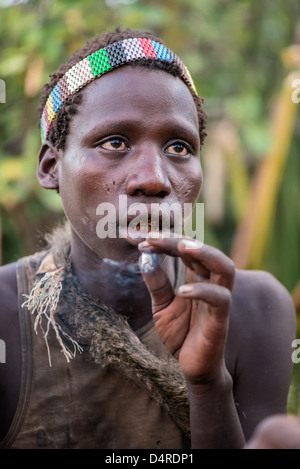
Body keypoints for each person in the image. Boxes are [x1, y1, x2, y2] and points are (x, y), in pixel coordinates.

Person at [0, 26, 297, 450]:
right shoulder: (6, 316)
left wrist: (209, 384)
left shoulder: (255, 310)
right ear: (51, 166)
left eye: (178, 148)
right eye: (115, 141)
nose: (154, 180)